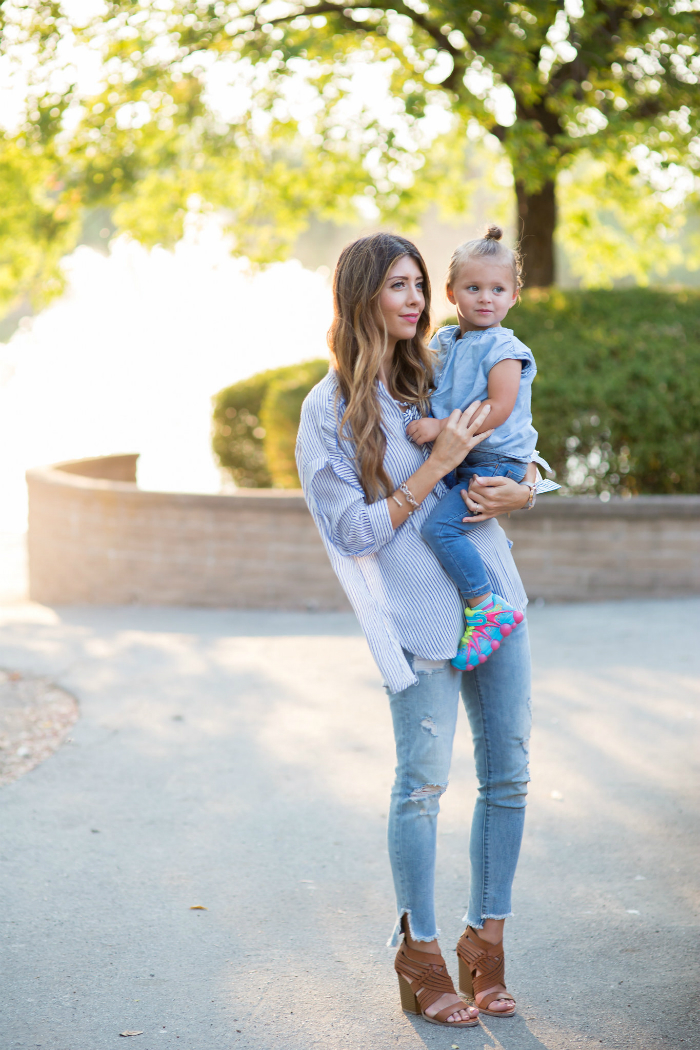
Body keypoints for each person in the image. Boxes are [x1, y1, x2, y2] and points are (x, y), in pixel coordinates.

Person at [296, 232, 546, 1028]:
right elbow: (354, 533)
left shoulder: (439, 368)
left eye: (418, 285)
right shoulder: (329, 409)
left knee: (507, 775)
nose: (415, 299)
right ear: (362, 296)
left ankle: (489, 944)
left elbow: (510, 437)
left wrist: (530, 488)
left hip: (495, 598)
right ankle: (422, 952)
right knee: (425, 786)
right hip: (418, 618)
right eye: (397, 286)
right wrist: (435, 472)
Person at [407, 225, 556, 672]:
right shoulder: (445, 341)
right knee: (446, 516)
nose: (485, 298)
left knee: (440, 529)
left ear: (514, 296)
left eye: (497, 289)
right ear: (451, 293)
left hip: (495, 459)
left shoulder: (505, 348)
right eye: (473, 288)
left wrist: (439, 427)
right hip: (468, 455)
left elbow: (498, 407)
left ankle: (485, 607)